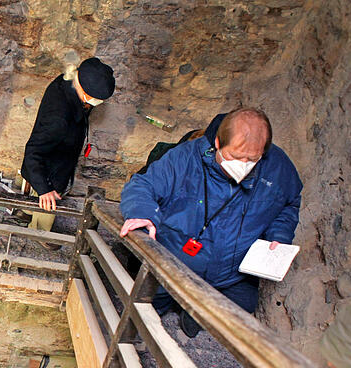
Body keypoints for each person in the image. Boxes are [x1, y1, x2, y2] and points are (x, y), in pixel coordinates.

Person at [119, 108, 303, 337]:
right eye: (236, 156)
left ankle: (194, 312)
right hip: (173, 263)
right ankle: (171, 303)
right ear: (217, 142)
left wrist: (279, 235)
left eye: (252, 159)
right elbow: (142, 185)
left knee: (244, 305)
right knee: (141, 312)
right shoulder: (186, 158)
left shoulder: (278, 167)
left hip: (228, 274)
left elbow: (289, 204)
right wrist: (142, 212)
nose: (244, 164)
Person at [18, 58, 115, 249]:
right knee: (49, 200)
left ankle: (25, 212)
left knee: (38, 194)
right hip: (52, 166)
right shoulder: (59, 117)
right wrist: (45, 189)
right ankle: (40, 232)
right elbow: (34, 151)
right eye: (95, 99)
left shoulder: (68, 80)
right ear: (85, 92)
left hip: (60, 152)